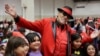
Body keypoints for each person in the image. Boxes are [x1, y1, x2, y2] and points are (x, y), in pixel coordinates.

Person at [5, 4, 93, 56]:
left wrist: (90, 37)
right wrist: (16, 16)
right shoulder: (46, 22)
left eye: (68, 16)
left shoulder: (68, 29)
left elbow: (79, 38)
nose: (65, 16)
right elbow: (29, 24)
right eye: (63, 13)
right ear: (58, 14)